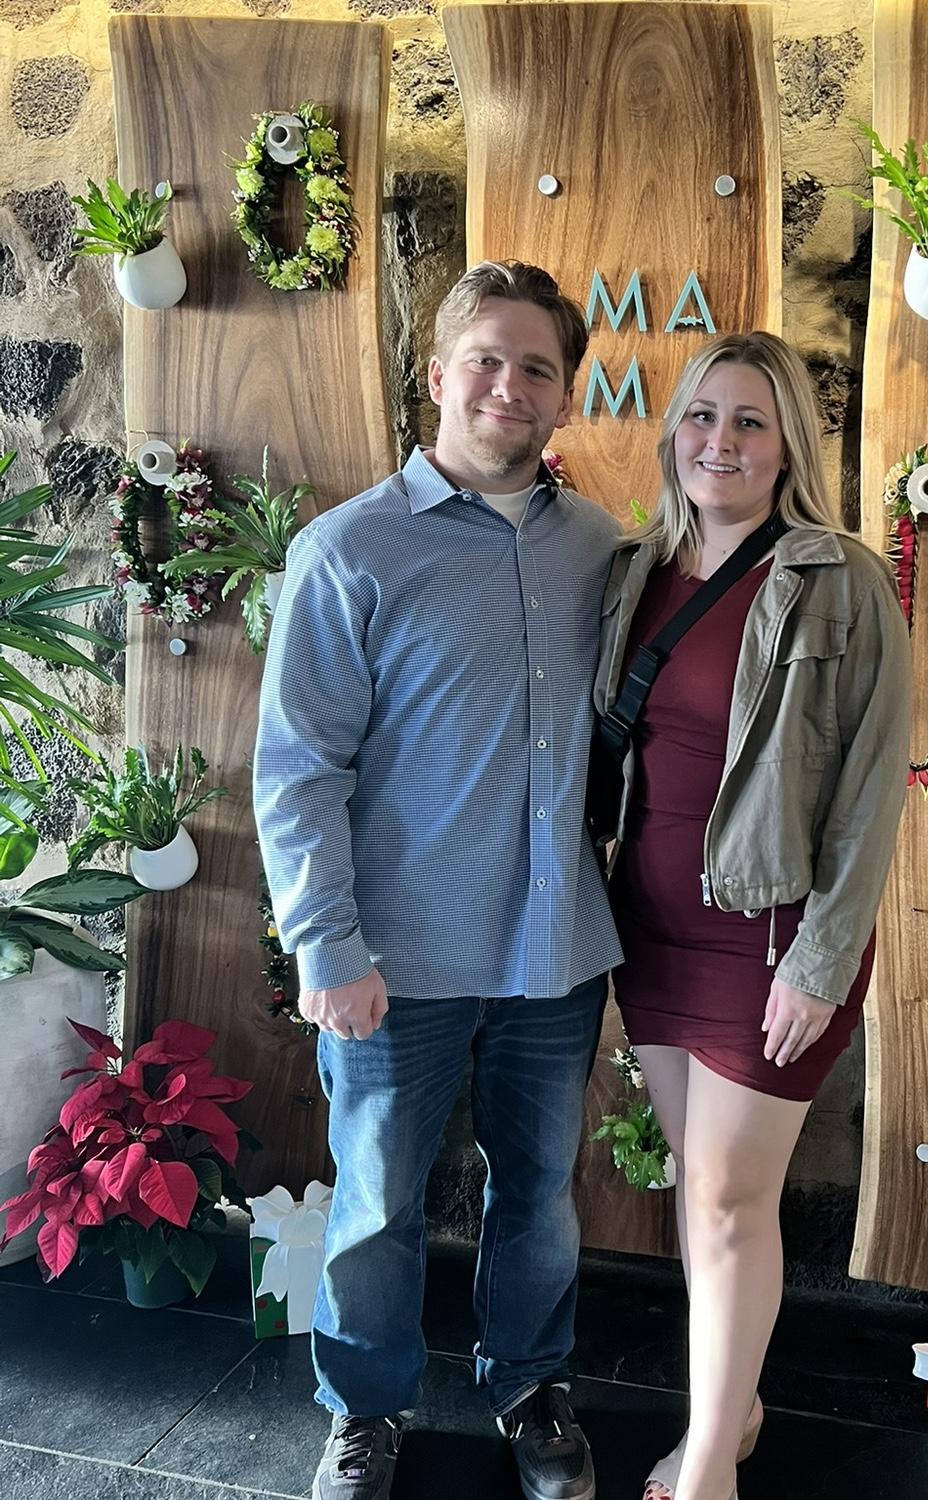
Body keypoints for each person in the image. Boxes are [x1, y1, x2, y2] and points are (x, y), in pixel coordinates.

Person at [255, 260, 620, 1500]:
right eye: (487, 359)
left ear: (564, 396)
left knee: (541, 1193)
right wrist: (325, 946)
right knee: (375, 1203)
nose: (509, 385)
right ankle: (364, 1410)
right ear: (438, 374)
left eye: (537, 368)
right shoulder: (347, 549)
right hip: (392, 960)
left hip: (554, 951)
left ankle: (530, 1385)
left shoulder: (602, 550)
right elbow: (298, 767)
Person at [593, 332, 912, 1500]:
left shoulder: (841, 579)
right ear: (674, 431)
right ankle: (732, 1410)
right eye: (702, 416)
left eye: (748, 423)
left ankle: (708, 1468)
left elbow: (873, 787)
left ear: (787, 451)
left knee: (730, 1194)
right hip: (651, 928)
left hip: (770, 936)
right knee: (702, 1182)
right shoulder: (635, 572)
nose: (718, 442)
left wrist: (822, 961)